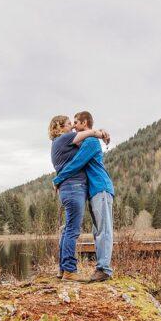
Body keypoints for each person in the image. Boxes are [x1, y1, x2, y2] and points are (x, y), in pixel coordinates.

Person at [53, 110, 115, 282]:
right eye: (71, 123)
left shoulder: (91, 142)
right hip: (93, 191)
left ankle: (104, 269)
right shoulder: (84, 141)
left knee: (103, 229)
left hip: (101, 188)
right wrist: (102, 132)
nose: (73, 126)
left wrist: (57, 179)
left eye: (76, 122)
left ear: (85, 123)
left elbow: (76, 163)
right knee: (97, 230)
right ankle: (98, 268)